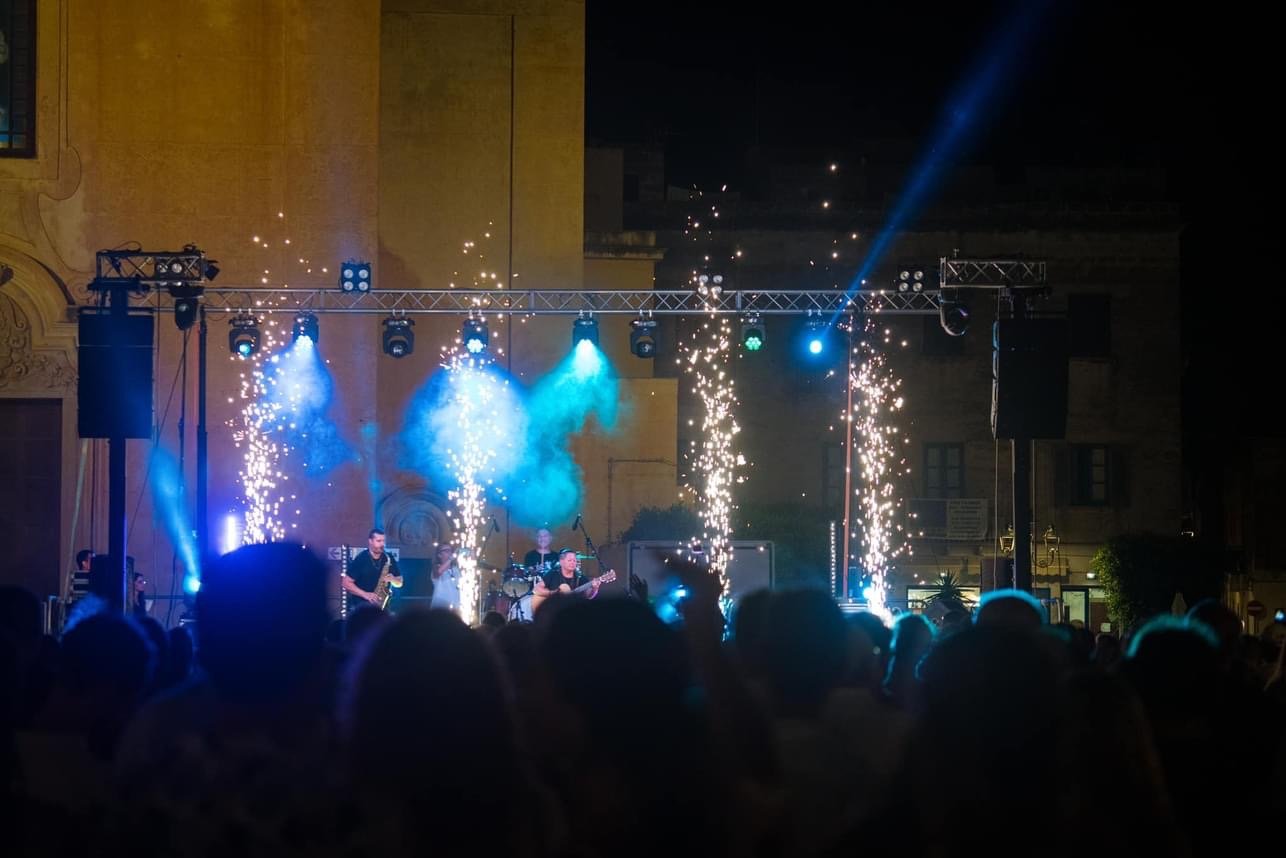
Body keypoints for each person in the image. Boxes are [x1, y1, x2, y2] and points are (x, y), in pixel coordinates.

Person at [341, 528, 403, 611]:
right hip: (362, 608)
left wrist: (393, 579)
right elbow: (345, 583)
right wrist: (365, 594)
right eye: (378, 541)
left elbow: (400, 583)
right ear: (370, 541)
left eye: (383, 541)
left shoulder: (388, 557)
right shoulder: (361, 559)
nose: (382, 544)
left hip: (382, 608)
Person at [532, 547, 601, 611]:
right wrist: (553, 593)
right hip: (552, 611)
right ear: (561, 562)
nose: (573, 563)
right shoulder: (553, 574)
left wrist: (595, 589)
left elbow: (589, 596)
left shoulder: (580, 577)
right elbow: (536, 589)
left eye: (574, 560)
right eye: (569, 560)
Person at [429, 543, 461, 612]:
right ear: (439, 555)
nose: (450, 553)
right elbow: (439, 571)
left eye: (451, 550)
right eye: (446, 551)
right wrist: (450, 559)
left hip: (456, 605)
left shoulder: (456, 569)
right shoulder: (436, 568)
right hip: (441, 607)